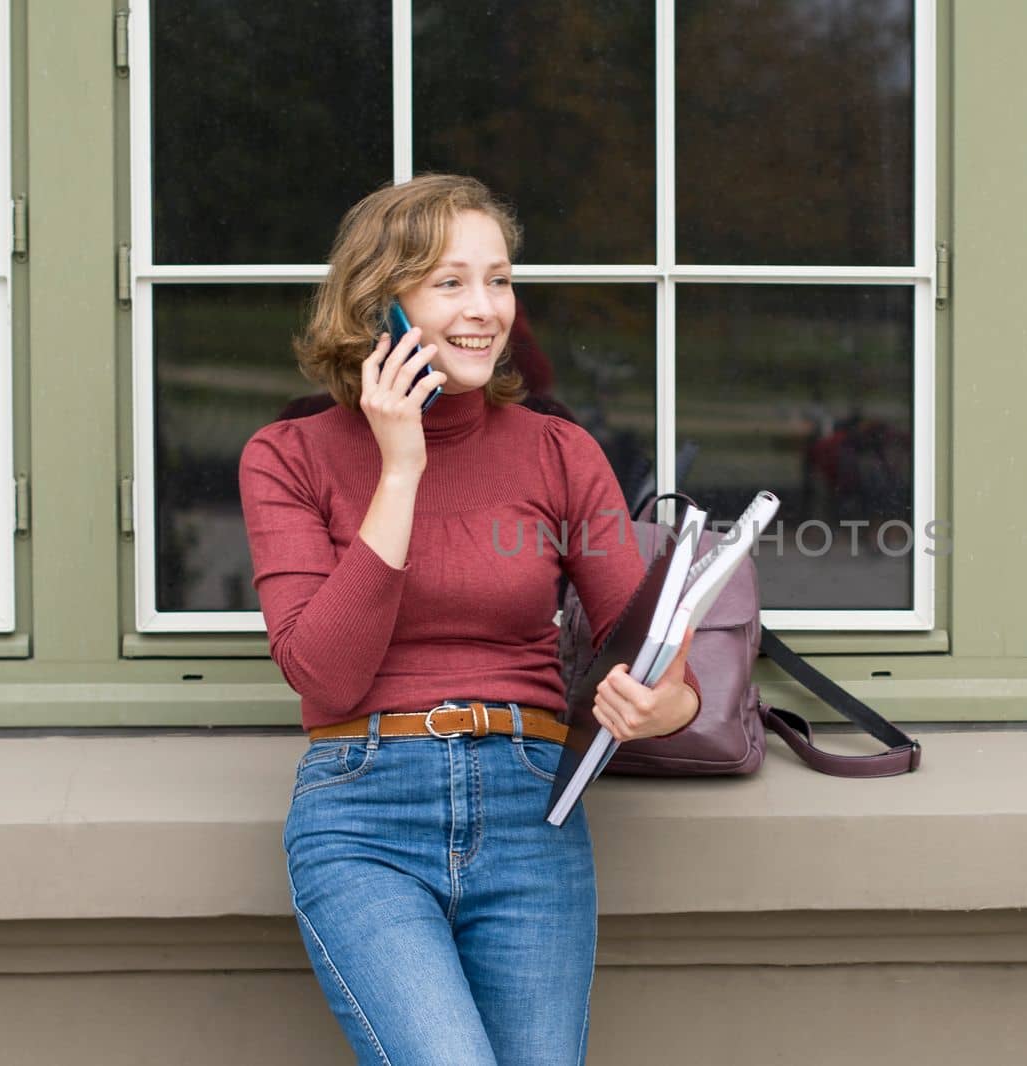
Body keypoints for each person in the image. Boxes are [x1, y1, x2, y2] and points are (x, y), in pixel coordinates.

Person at [238, 173, 700, 1065]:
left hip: (533, 811)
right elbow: (324, 672)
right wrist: (399, 467)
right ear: (381, 306)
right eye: (450, 283)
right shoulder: (288, 457)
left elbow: (665, 674)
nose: (486, 308)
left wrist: (660, 705)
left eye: (499, 278)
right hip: (363, 813)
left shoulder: (559, 452)